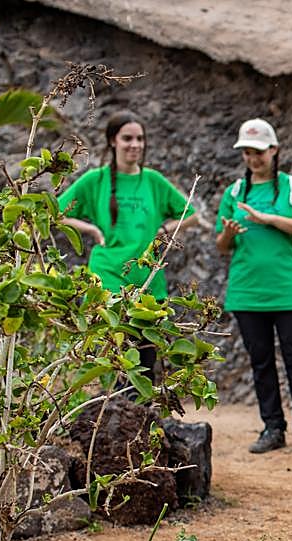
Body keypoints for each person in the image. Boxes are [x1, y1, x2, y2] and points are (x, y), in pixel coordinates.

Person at [59, 111, 198, 379]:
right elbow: (55, 212)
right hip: (108, 280)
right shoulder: (95, 180)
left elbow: (190, 215)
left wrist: (163, 231)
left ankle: (142, 420)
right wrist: (90, 229)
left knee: (145, 365)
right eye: (128, 138)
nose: (135, 144)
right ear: (113, 141)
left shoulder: (153, 181)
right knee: (115, 363)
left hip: (148, 283)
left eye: (140, 139)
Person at [215, 118, 292, 454]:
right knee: (260, 363)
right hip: (247, 293)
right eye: (247, 152)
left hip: (289, 290)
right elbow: (221, 246)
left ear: (274, 150)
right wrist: (229, 234)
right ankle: (272, 427)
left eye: (259, 151)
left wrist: (270, 220)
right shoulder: (234, 192)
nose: (253, 158)